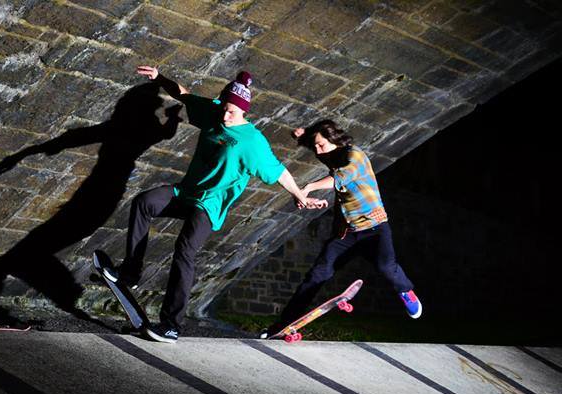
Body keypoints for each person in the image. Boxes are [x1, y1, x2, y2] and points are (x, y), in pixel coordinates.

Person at [102, 66, 324, 343]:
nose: (225, 115)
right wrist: (159, 78)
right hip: (186, 192)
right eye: (224, 108)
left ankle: (171, 325)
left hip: (209, 205)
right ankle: (131, 271)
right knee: (145, 202)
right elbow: (183, 94)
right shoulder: (215, 112)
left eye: (232, 111)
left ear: (244, 111)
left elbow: (277, 171)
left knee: (184, 250)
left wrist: (299, 195)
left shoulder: (252, 141)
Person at [260, 119, 422, 338]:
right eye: (316, 146)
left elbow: (341, 176)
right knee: (317, 275)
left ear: (335, 140)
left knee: (386, 267)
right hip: (345, 235)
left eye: (321, 146)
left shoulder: (356, 156)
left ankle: (406, 291)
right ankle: (284, 322)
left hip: (374, 229)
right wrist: (305, 136)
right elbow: (317, 145)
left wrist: (308, 187)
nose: (319, 151)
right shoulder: (329, 153)